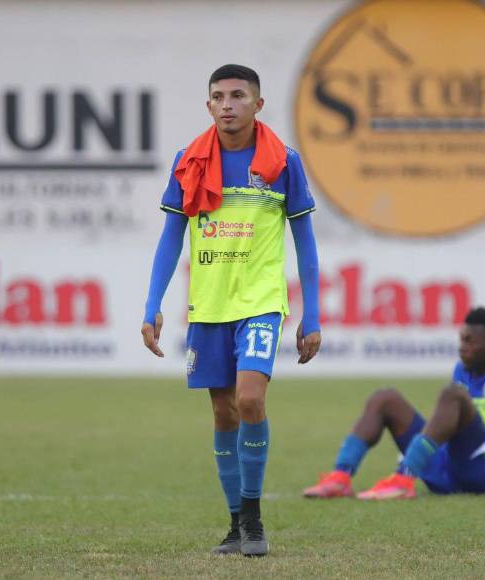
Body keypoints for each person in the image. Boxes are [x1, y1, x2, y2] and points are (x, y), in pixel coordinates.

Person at [141, 64, 322, 557]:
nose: (227, 104)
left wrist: (314, 314)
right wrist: (153, 305)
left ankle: (255, 519)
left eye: (238, 95)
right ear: (208, 106)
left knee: (249, 400)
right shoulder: (189, 162)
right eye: (218, 96)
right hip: (209, 307)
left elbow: (305, 241)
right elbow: (170, 238)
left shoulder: (283, 162)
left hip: (262, 303)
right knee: (223, 413)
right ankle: (235, 525)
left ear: (258, 104)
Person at [303, 307, 485, 500]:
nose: (462, 346)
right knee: (386, 398)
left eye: (471, 341)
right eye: (461, 338)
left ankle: (404, 479)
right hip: (447, 472)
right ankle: (340, 477)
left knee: (453, 395)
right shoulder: (462, 371)